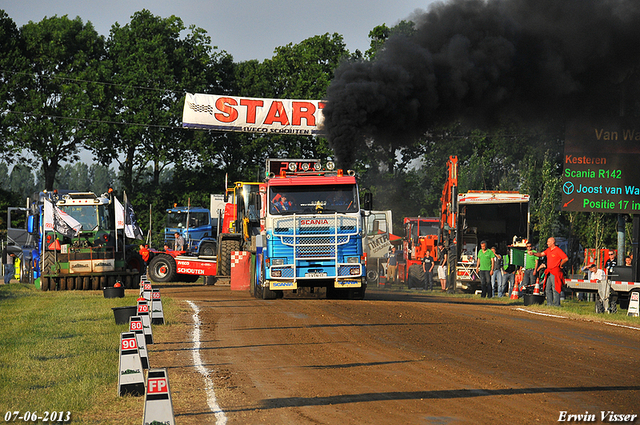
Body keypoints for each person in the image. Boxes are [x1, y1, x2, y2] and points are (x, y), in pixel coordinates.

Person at [530, 237, 568, 307]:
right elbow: (541, 254)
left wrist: (561, 264)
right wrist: (533, 253)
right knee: (547, 288)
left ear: (552, 242)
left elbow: (565, 258)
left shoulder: (558, 250)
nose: (547, 243)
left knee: (555, 288)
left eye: (548, 242)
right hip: (549, 271)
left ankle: (557, 304)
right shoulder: (548, 250)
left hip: (555, 271)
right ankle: (549, 304)